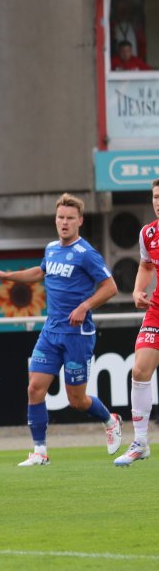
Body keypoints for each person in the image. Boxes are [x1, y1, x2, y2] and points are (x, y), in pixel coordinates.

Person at [0, 193, 121, 467]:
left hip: (77, 336)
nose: (64, 222)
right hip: (51, 331)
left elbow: (111, 287)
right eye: (60, 218)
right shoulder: (51, 249)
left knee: (77, 400)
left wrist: (85, 306)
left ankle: (110, 419)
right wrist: (6, 275)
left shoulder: (87, 254)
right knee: (34, 388)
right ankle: (40, 451)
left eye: (70, 218)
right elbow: (40, 272)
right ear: (55, 220)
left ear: (80, 221)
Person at [114, 178, 159, 466]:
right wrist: (136, 289)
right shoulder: (149, 233)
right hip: (156, 310)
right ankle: (140, 442)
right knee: (140, 369)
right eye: (155, 196)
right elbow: (145, 265)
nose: (158, 201)